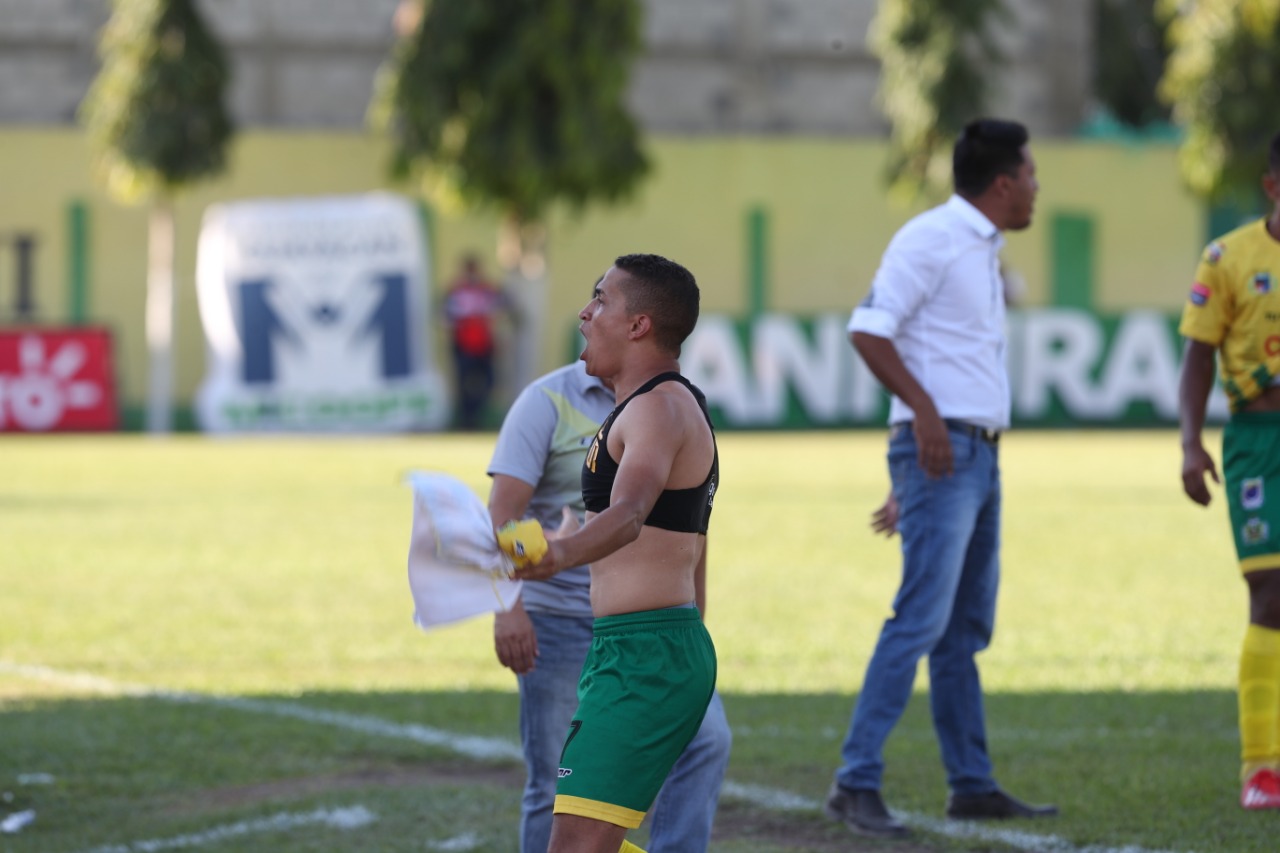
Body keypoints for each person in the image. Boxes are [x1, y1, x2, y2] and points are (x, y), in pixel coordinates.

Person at [827, 118, 1057, 839]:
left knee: (962, 630)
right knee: (922, 618)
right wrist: (922, 420)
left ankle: (971, 784)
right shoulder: (932, 238)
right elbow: (869, 327)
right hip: (944, 449)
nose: (1035, 189)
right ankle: (854, 779)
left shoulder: (981, 247)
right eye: (1030, 175)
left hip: (971, 455)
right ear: (1001, 182)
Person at [495, 253, 719, 853]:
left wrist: (559, 554)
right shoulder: (646, 407)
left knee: (573, 845)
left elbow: (631, 514)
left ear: (639, 324)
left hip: (647, 655)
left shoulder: (658, 406)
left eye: (601, 300)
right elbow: (677, 533)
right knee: (580, 839)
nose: (585, 313)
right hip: (631, 649)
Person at [1178, 130, 1280, 811]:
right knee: (1272, 595)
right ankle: (1261, 766)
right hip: (1257, 441)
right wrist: (1190, 443)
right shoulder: (1228, 257)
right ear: (1274, 186)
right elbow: (1197, 360)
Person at [442, 253, 508, 430]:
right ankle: (466, 420)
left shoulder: (487, 290)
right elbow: (444, 315)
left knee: (489, 383)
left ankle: (479, 416)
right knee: (463, 384)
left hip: (484, 345)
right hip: (463, 345)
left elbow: (501, 308)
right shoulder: (456, 291)